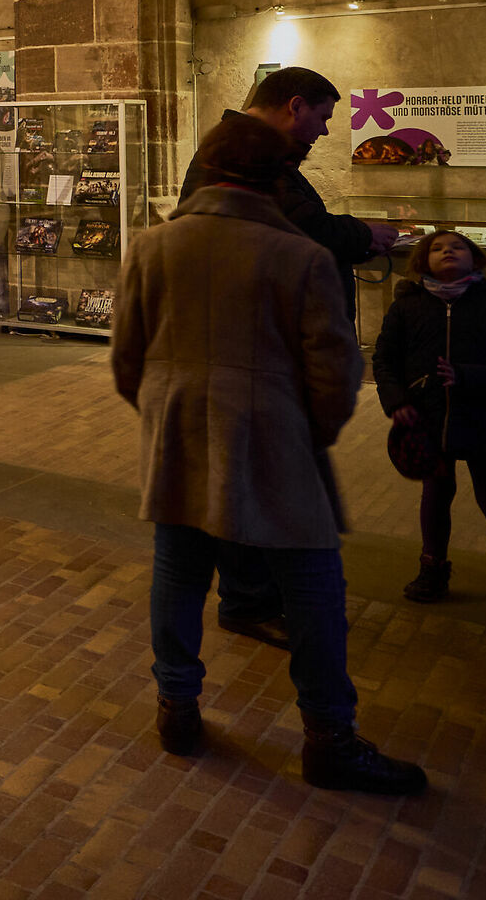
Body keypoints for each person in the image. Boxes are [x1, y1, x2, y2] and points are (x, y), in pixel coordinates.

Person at [113, 112, 425, 793]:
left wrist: (169, 413)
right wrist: (304, 432)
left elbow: (127, 361)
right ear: (276, 179)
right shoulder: (302, 257)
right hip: (276, 438)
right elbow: (334, 373)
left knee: (179, 574)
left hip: (180, 440)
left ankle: (177, 708)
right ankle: (329, 739)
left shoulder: (151, 246)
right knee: (312, 589)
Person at [179, 67, 402, 653]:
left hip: (256, 353)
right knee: (246, 483)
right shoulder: (248, 157)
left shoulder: (248, 152)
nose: (324, 131)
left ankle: (260, 594)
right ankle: (248, 602)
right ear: (293, 106)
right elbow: (288, 228)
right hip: (251, 353)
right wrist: (361, 235)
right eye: (323, 117)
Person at [372, 229, 486, 609]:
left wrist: (467, 376)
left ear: (475, 258)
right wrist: (396, 400)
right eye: (437, 248)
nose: (448, 250)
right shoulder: (407, 308)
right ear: (421, 262)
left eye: (457, 246)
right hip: (428, 419)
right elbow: (384, 360)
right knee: (435, 493)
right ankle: (432, 569)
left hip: (485, 419)